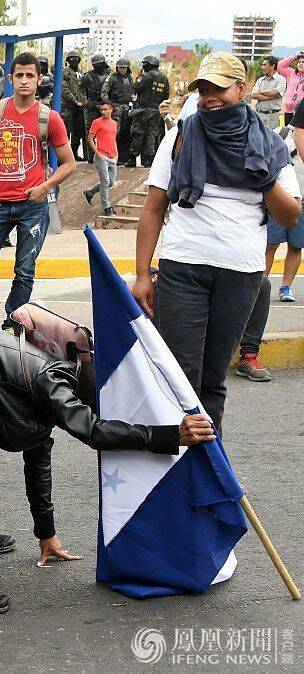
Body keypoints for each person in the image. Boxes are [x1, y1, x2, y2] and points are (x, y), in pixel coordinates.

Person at [0, 323, 215, 614]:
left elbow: (37, 460)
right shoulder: (52, 382)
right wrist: (172, 434)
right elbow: (94, 432)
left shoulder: (43, 392)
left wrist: (46, 534)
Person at [131, 52, 301, 430]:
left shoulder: (269, 143)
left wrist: (261, 174)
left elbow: (289, 215)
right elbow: (153, 208)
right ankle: (176, 469)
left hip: (241, 274)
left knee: (212, 380)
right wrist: (143, 274)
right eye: (204, 90)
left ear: (242, 89)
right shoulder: (181, 134)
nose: (210, 98)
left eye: (219, 89)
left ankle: (209, 467)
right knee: (180, 375)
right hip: (183, 268)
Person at [0, 52, 76, 329]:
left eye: (30, 75)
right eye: (19, 75)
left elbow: (69, 164)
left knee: (24, 273)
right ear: (10, 79)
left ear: (39, 79)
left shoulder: (50, 118)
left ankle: (12, 327)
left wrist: (44, 188)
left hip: (32, 207)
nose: (24, 81)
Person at [235, 105, 304, 381]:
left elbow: (290, 212)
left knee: (261, 284)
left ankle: (248, 355)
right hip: (208, 254)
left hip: (244, 246)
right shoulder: (195, 139)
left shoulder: (271, 151)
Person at [128, 55, 169, 168]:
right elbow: (166, 95)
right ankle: (148, 160)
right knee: (152, 135)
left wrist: (139, 77)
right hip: (157, 111)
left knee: (138, 133)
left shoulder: (147, 76)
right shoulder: (164, 77)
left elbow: (136, 88)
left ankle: (132, 158)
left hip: (143, 110)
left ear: (148, 64)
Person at [83, 101, 119, 215]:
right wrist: (97, 153)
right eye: (102, 110)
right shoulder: (96, 122)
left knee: (111, 182)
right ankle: (106, 207)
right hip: (101, 156)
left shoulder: (114, 123)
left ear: (111, 109)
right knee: (105, 181)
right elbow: (90, 138)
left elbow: (113, 139)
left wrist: (116, 153)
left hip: (112, 156)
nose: (104, 111)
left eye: (106, 109)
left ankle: (89, 192)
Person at [102, 57, 134, 163]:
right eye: (121, 67)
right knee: (115, 133)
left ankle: (124, 157)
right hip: (115, 107)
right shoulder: (112, 77)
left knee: (126, 133)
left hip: (126, 107)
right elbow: (104, 93)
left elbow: (132, 92)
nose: (123, 70)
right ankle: (112, 156)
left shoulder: (129, 78)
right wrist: (110, 105)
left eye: (124, 68)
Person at [80, 53, 110, 164]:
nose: (97, 66)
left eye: (99, 64)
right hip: (91, 107)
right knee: (90, 132)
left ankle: (105, 156)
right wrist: (85, 103)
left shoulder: (109, 75)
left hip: (105, 106)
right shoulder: (87, 76)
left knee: (106, 131)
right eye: (95, 64)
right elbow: (81, 90)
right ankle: (91, 157)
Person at [61, 50, 86, 161]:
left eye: (76, 59)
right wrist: (74, 100)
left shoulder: (81, 72)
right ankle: (63, 156)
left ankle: (74, 153)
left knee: (77, 132)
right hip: (68, 106)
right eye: (72, 59)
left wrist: (82, 101)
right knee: (65, 131)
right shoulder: (65, 72)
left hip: (79, 107)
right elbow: (64, 88)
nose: (74, 61)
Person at [251, 55, 285, 130]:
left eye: (264, 65)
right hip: (259, 115)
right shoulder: (260, 80)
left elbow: (275, 93)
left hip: (273, 116)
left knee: (272, 139)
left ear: (272, 66)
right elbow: (253, 95)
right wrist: (271, 96)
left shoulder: (281, 80)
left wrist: (260, 92)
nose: (262, 67)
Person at [277, 51, 304, 126]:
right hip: (288, 111)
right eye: (299, 62)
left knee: (299, 135)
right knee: (288, 136)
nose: (301, 63)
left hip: (301, 112)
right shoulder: (291, 73)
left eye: (303, 62)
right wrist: (294, 58)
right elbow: (279, 65)